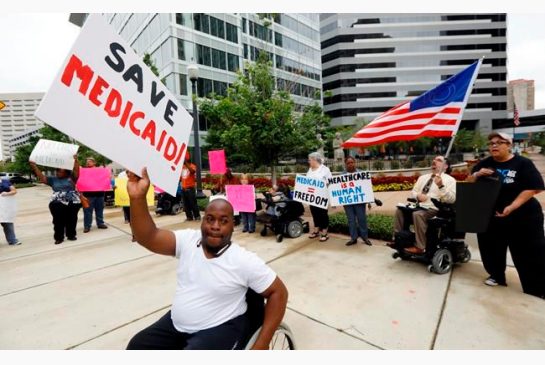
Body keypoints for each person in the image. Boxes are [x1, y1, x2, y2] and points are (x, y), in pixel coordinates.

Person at [125, 168, 288, 350]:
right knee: (137, 346)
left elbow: (279, 293)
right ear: (202, 221)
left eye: (223, 221)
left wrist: (262, 343)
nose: (215, 226)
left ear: (233, 226)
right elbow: (149, 237)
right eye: (209, 219)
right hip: (176, 325)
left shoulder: (243, 261)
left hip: (218, 328)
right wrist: (137, 198)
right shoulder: (188, 241)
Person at [468, 132, 545, 298]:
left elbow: (534, 187)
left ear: (509, 145)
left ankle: (535, 287)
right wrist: (476, 175)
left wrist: (512, 206)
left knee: (529, 252)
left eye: (499, 142)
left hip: (523, 217)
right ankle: (497, 276)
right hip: (492, 217)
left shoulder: (523, 163)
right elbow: (469, 184)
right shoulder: (484, 164)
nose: (494, 145)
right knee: (491, 248)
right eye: (491, 143)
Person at [393, 155, 456, 254]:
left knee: (418, 215)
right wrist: (418, 196)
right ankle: (398, 240)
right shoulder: (423, 177)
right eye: (434, 160)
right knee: (400, 211)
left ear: (445, 166)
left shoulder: (450, 180)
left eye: (439, 160)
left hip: (434, 209)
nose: (434, 161)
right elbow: (413, 192)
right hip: (419, 206)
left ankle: (420, 247)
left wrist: (441, 186)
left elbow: (451, 199)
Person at [29, 155, 82, 245]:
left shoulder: (72, 178)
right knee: (58, 220)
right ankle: (59, 237)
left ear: (66, 173)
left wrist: (76, 160)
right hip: (57, 203)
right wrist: (34, 166)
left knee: (72, 219)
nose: (57, 173)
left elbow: (77, 171)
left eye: (60, 171)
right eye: (57, 171)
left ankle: (71, 235)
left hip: (72, 201)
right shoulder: (53, 180)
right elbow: (42, 177)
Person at [342, 156, 372, 247]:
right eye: (348, 163)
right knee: (351, 220)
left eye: (352, 162)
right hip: (348, 202)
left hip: (359, 201)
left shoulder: (361, 174)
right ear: (345, 164)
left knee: (362, 219)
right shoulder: (342, 175)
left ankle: (365, 237)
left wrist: (369, 201)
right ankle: (353, 238)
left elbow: (366, 189)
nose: (350, 164)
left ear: (355, 163)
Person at [307, 152, 332, 242]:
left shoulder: (325, 169)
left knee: (323, 214)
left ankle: (325, 232)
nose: (309, 161)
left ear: (314, 160)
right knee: (314, 213)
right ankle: (316, 230)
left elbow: (330, 181)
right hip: (312, 196)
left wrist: (322, 185)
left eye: (309, 160)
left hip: (322, 196)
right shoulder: (310, 169)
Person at [82, 157, 108, 233]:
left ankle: (100, 223)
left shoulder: (100, 170)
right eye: (87, 161)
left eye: (89, 161)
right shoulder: (84, 171)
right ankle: (87, 226)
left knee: (99, 210)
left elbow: (105, 179)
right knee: (87, 211)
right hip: (88, 195)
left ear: (94, 163)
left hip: (99, 194)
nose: (88, 163)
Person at [180, 152, 201, 222]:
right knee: (186, 205)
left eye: (185, 159)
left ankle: (197, 216)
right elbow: (181, 177)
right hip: (183, 188)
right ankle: (189, 217)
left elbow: (192, 171)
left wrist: (186, 163)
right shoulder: (182, 167)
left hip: (190, 188)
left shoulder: (192, 166)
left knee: (193, 203)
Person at [0, 178, 21, 246]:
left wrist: (7, 193)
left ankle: (12, 240)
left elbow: (14, 191)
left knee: (8, 222)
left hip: (5, 206)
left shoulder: (5, 181)